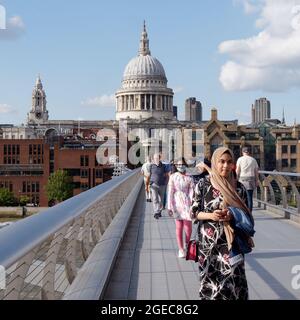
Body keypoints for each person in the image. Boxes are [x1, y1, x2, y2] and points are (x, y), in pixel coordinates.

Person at [191, 147, 253, 300]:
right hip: (208, 245)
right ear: (214, 162)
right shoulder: (203, 185)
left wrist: (231, 214)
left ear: (233, 165)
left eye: (229, 162)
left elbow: (247, 215)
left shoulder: (239, 188)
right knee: (210, 283)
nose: (225, 166)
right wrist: (212, 215)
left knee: (233, 282)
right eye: (222, 161)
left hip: (232, 244)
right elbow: (194, 213)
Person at [167, 158, 194, 258]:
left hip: (187, 203)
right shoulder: (173, 177)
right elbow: (170, 191)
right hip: (176, 203)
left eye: (182, 164)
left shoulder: (190, 177)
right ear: (175, 166)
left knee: (188, 227)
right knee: (179, 227)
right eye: (178, 165)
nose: (180, 166)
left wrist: (193, 204)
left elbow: (192, 192)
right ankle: (181, 249)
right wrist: (169, 207)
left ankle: (187, 245)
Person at [236, 147, 259, 212]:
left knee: (241, 197)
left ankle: (243, 211)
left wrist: (236, 179)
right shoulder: (253, 160)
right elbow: (256, 171)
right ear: (249, 152)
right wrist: (257, 180)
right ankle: (250, 213)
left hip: (242, 179)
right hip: (251, 179)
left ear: (243, 152)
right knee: (249, 198)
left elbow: (237, 170)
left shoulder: (240, 159)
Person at [149, 153, 169, 219]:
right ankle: (156, 212)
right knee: (155, 199)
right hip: (153, 185)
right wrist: (149, 183)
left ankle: (159, 210)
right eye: (155, 158)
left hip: (162, 185)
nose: (156, 160)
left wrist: (166, 183)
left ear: (160, 158)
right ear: (153, 159)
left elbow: (167, 175)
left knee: (161, 200)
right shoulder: (151, 166)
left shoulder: (163, 166)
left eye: (157, 158)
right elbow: (149, 174)